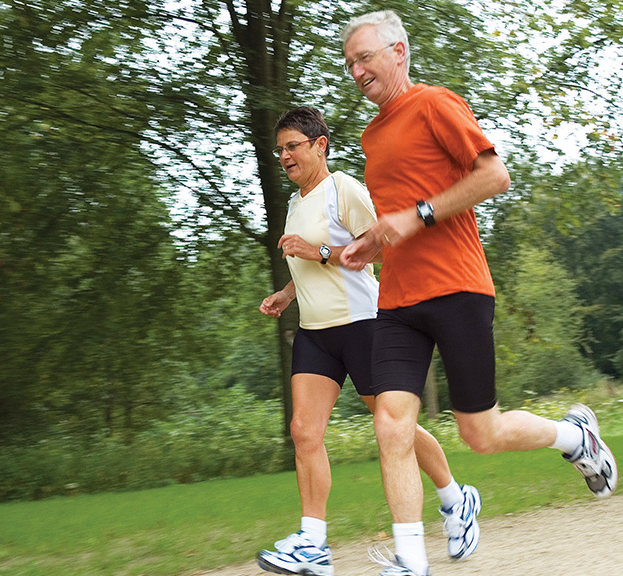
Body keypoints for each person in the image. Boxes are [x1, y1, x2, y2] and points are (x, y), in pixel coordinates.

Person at [338, 10, 618, 576]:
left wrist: (416, 216)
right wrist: (373, 242)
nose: (356, 71)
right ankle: (410, 559)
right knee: (390, 423)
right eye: (349, 64)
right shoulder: (372, 134)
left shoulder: (435, 103)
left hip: (457, 288)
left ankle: (574, 437)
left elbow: (494, 176)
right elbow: (400, 219)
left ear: (398, 52)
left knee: (480, 433)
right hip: (397, 302)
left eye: (364, 57)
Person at [255, 106, 481, 576]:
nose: (285, 156)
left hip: (362, 324)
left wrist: (316, 250)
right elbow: (310, 265)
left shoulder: (344, 189)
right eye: (280, 150)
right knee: (303, 431)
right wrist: (287, 294)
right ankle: (313, 543)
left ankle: (455, 498)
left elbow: (378, 249)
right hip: (315, 332)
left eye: (293, 146)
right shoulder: (295, 203)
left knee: (395, 426)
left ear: (320, 145)